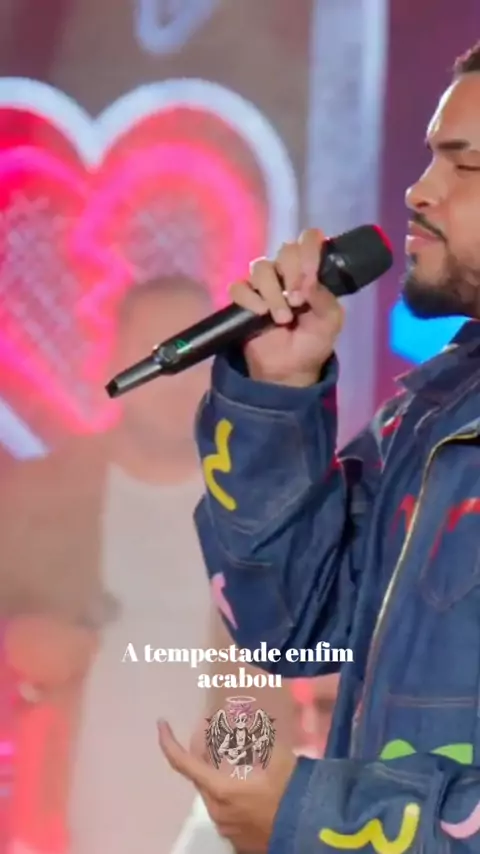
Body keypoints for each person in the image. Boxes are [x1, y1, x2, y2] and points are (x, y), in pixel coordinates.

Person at [159, 40, 480, 853]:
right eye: (427, 158)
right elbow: (289, 628)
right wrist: (277, 391)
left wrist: (315, 822)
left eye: (465, 165)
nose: (418, 191)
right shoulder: (432, 412)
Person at [0, 273, 301, 854]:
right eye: (158, 351)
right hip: (67, 826)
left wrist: (246, 811)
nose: (177, 376)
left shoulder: (264, 508)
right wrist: (18, 647)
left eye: (197, 352)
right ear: (114, 360)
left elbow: (278, 677)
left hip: (218, 830)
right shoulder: (39, 497)